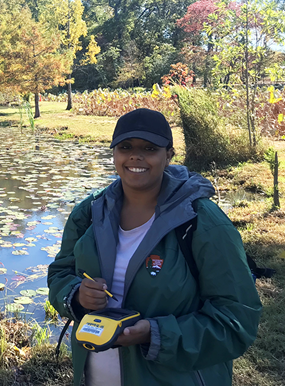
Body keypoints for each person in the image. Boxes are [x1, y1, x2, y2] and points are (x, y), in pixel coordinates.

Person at [47, 108, 262, 386]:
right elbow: (60, 274)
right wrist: (76, 296)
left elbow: (237, 320)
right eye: (126, 147)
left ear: (169, 155)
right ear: (114, 153)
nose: (136, 156)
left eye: (149, 148)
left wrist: (157, 334)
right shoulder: (89, 213)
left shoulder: (201, 222)